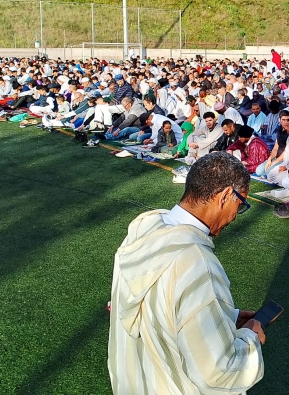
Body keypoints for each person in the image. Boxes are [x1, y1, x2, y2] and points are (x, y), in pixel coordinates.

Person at [108, 153, 265, 394]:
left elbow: (155, 304)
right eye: (240, 204)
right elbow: (217, 372)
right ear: (225, 196)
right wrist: (249, 338)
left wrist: (224, 316)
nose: (235, 215)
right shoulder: (197, 262)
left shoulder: (144, 226)